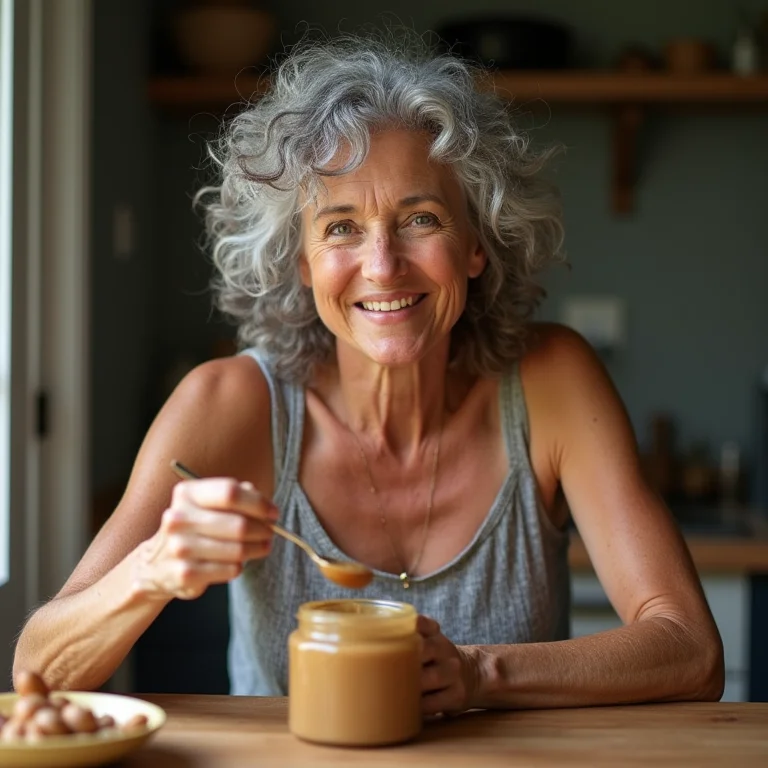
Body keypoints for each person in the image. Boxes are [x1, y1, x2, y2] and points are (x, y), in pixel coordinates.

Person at [14, 30, 723, 714]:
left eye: (420, 219)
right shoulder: (230, 403)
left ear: (477, 242)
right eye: (342, 227)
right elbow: (37, 670)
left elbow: (691, 650)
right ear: (301, 260)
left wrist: (479, 673)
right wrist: (152, 569)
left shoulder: (551, 380)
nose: (382, 266)